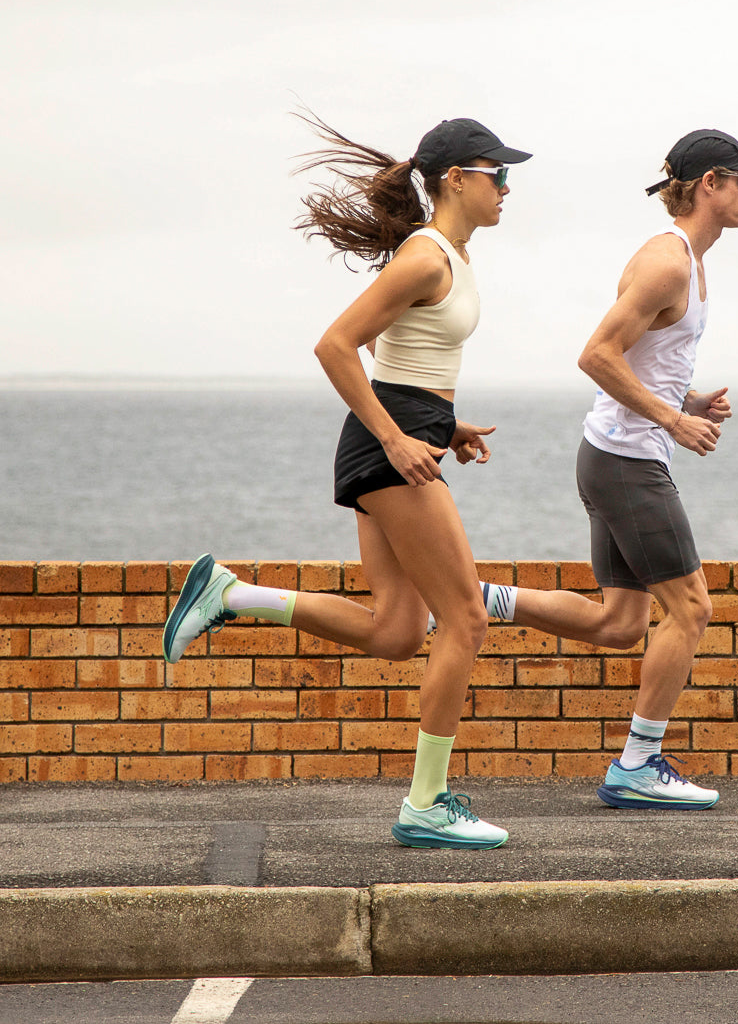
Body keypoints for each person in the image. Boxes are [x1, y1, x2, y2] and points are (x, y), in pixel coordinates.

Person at [161, 115, 531, 850]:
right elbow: (335, 345)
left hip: (404, 438)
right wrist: (398, 439)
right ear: (457, 177)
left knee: (397, 632)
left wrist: (442, 426)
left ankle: (232, 594)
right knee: (465, 620)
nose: (508, 188)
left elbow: (408, 363)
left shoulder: (451, 255)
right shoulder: (426, 259)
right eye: (498, 173)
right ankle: (427, 803)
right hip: (386, 448)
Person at [476, 128, 738, 809]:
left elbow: (641, 361)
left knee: (619, 624)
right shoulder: (666, 263)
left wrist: (687, 398)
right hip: (628, 463)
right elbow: (598, 355)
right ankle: (639, 764)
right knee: (692, 609)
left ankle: (481, 601)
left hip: (613, 456)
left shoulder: (693, 263)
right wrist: (673, 419)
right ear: (711, 184)